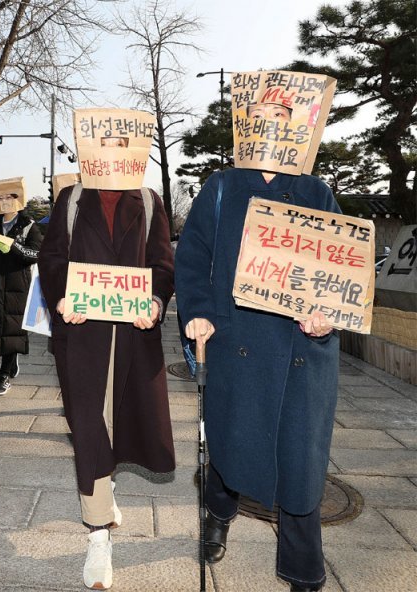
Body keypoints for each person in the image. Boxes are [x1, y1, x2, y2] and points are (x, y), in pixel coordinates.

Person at [175, 92, 340, 592]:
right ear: (244, 127)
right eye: (261, 117)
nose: (271, 126)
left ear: (302, 130)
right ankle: (218, 511)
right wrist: (199, 313)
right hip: (236, 338)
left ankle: (304, 569)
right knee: (229, 440)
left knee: (301, 459)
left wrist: (327, 314)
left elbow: (336, 264)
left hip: (300, 350)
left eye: (283, 118)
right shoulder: (222, 186)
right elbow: (192, 255)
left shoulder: (316, 190)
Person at [38, 132, 176, 590]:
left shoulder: (150, 199)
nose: (113, 155)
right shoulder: (72, 197)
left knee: (121, 421)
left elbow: (163, 262)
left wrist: (156, 302)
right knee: (88, 423)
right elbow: (52, 256)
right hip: (81, 333)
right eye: (105, 145)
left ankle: (105, 491)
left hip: (133, 334)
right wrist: (61, 297)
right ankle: (98, 534)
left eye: (123, 145)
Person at [0, 191, 42, 396]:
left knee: (13, 328)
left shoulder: (28, 224)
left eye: (8, 198)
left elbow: (36, 253)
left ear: (18, 200)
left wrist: (14, 248)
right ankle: (11, 363)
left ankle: (3, 375)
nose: (4, 202)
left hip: (17, 284)